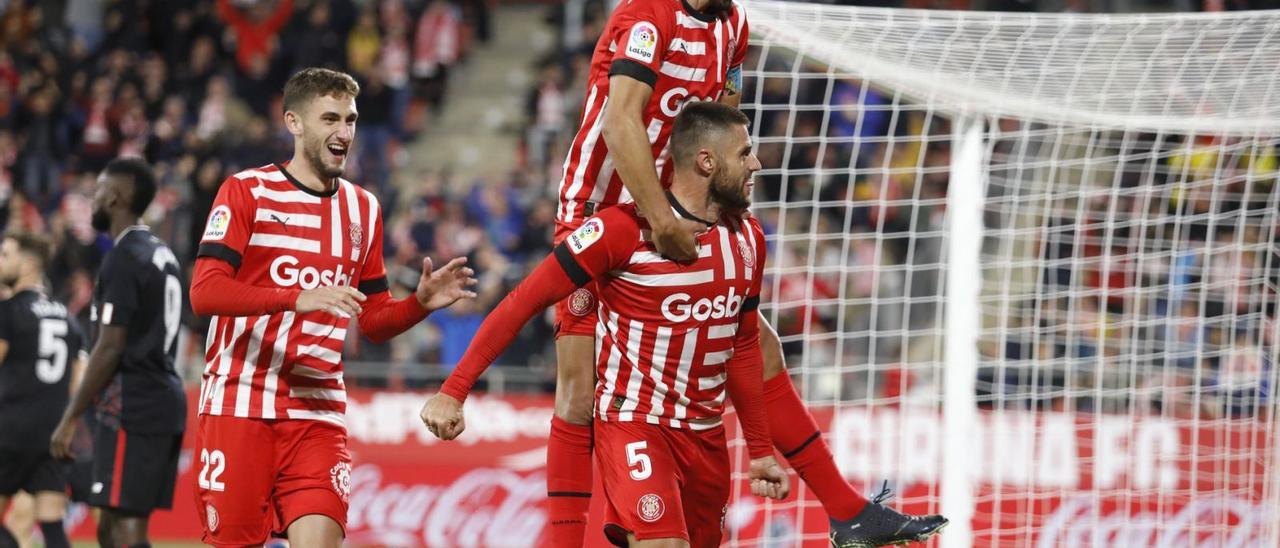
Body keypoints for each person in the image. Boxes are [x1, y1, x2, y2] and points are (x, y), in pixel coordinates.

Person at [494, 0, 946, 544]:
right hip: (603, 215)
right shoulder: (647, 18)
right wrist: (660, 220)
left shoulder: (734, 25)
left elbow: (723, 117)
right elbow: (620, 122)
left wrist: (729, 212)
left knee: (758, 345)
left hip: (678, 214)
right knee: (580, 392)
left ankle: (848, 512)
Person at [425, 101, 790, 547]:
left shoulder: (748, 239)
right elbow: (524, 300)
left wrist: (758, 451)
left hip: (706, 436)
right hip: (635, 424)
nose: (755, 163)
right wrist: (453, 390)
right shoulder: (619, 231)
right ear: (706, 161)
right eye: (744, 153)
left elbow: (745, 347)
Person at [186, 68, 476, 548]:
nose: (344, 133)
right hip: (240, 404)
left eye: (351, 120)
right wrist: (296, 298)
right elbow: (205, 292)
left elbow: (375, 320)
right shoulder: (245, 192)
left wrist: (420, 305)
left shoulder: (364, 209)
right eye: (330, 119)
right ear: (294, 123)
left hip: (318, 412)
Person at [49, 158, 187, 548]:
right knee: (111, 522)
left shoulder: (124, 256)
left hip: (134, 402)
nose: (93, 199)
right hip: (159, 397)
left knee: (125, 526)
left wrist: (71, 415)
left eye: (98, 191)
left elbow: (110, 346)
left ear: (116, 196)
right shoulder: (160, 251)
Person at [0, 232, 84, 548]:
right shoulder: (68, 318)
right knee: (52, 526)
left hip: (10, 429)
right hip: (53, 434)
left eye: (6, 255)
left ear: (29, 263)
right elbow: (79, 380)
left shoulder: (8, 312)